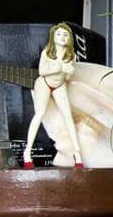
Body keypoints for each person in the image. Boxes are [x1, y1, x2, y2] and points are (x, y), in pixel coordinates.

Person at [24, 23, 83, 168]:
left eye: (65, 35)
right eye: (58, 34)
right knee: (39, 114)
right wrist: (59, 67)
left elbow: (67, 78)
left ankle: (77, 153)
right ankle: (27, 152)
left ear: (69, 38)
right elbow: (42, 71)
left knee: (68, 116)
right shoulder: (47, 52)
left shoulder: (71, 56)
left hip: (59, 85)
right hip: (44, 83)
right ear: (53, 37)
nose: (62, 37)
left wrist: (68, 72)